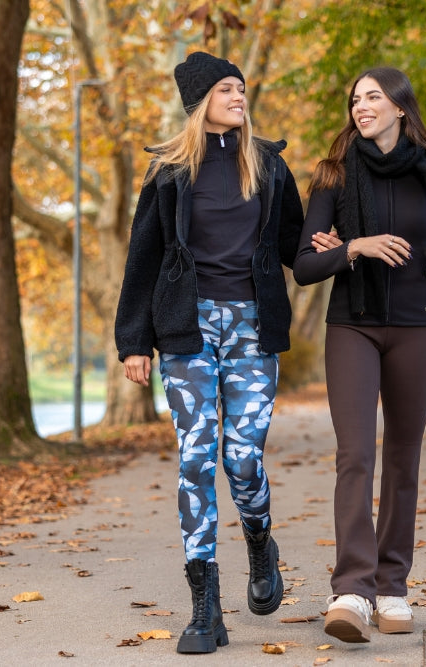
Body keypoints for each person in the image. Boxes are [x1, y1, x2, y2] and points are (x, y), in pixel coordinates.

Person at [114, 51, 305, 655]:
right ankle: (205, 610)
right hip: (186, 330)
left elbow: (299, 245)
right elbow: (143, 259)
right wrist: (132, 341)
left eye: (242, 88)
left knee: (242, 460)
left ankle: (259, 542)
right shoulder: (169, 172)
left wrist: (339, 243)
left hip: (252, 328)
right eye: (227, 89)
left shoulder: (270, 167)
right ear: (200, 103)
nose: (239, 97)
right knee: (196, 458)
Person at [293, 66, 426, 643]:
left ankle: (393, 587)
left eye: (373, 97)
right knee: (356, 456)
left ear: (401, 107)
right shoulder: (333, 175)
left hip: (414, 327)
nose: (361, 106)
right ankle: (351, 588)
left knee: (404, 458)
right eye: (355, 98)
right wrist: (355, 246)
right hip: (352, 325)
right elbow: (304, 264)